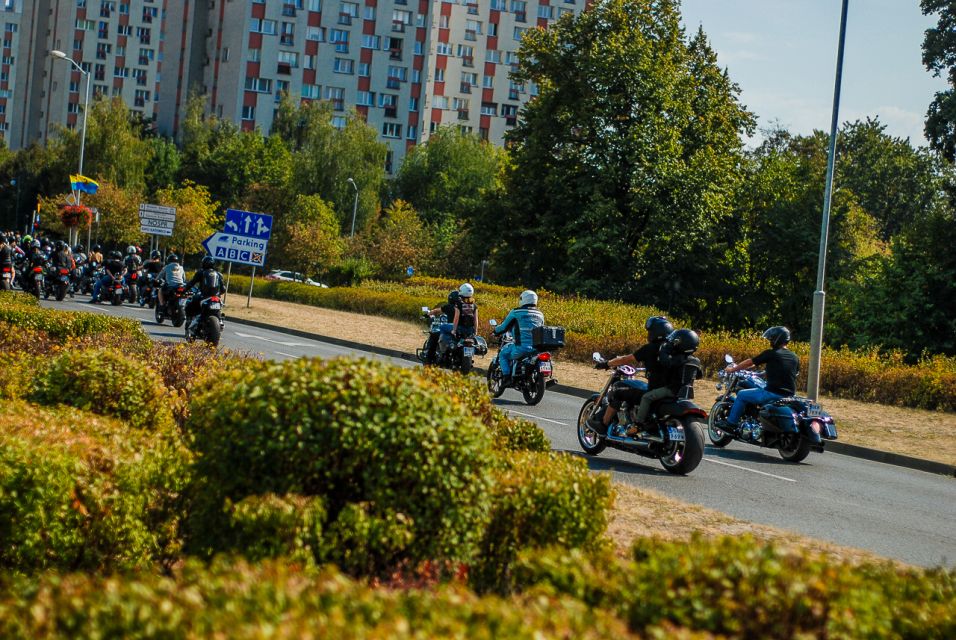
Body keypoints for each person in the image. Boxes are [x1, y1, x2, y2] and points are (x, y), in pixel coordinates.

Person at [588, 315, 673, 435]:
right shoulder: (673, 350)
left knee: (619, 391)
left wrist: (607, 363)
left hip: (654, 390)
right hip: (670, 390)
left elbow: (627, 359)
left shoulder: (651, 348)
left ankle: (603, 425)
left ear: (654, 333)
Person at [721, 326, 799, 432]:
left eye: (771, 339)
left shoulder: (771, 353)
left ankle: (731, 424)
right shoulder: (794, 357)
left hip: (772, 393)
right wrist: (762, 374)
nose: (770, 341)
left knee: (742, 394)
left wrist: (733, 369)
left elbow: (750, 362)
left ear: (777, 339)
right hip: (790, 396)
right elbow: (788, 372)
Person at [492, 289, 544, 387]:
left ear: (523, 299)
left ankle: (506, 377)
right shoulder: (540, 314)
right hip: (536, 349)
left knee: (503, 354)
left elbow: (504, 327)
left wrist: (495, 331)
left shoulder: (516, 312)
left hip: (521, 348)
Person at [184, 255, 226, 333]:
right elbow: (223, 289)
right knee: (219, 306)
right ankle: (220, 321)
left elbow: (191, 283)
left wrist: (184, 290)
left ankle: (191, 321)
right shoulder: (218, 274)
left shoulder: (201, 272)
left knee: (190, 303)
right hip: (216, 297)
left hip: (204, 296)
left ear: (203, 263)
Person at [423, 290, 460, 365]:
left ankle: (428, 359)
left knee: (434, 334)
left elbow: (437, 311)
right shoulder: (463, 307)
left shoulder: (449, 307)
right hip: (460, 330)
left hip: (450, 329)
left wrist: (427, 314)